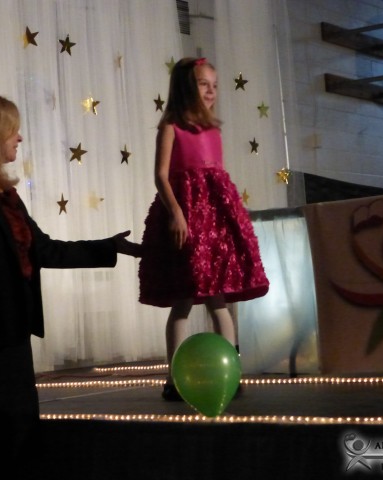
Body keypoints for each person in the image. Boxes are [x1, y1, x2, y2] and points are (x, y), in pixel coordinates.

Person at [0, 92, 141, 480]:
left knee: (16, 445)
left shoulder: (4, 196)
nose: (19, 138)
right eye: (12, 130)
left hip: (10, 339)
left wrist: (109, 247)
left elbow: (43, 249)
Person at [138, 58, 270, 401]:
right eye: (203, 84)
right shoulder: (171, 127)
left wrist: (232, 220)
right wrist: (177, 214)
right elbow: (161, 176)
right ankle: (173, 378)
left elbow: (218, 181)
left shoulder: (214, 131)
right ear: (186, 88)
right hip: (186, 221)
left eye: (214, 85)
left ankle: (232, 373)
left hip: (215, 225)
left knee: (218, 300)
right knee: (182, 301)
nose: (211, 91)